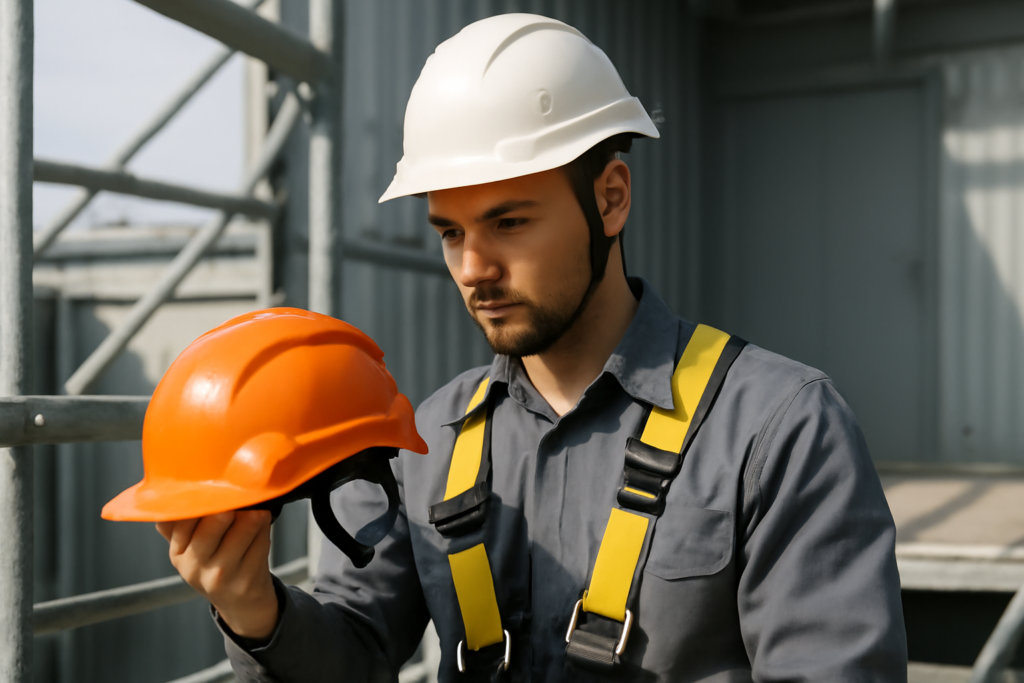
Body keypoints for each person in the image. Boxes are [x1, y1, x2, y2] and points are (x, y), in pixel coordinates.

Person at [157, 13, 908, 682]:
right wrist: (254, 605)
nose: (473, 268)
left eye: (509, 222)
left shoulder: (779, 429)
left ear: (611, 198)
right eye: (450, 232)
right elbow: (354, 652)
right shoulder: (426, 445)